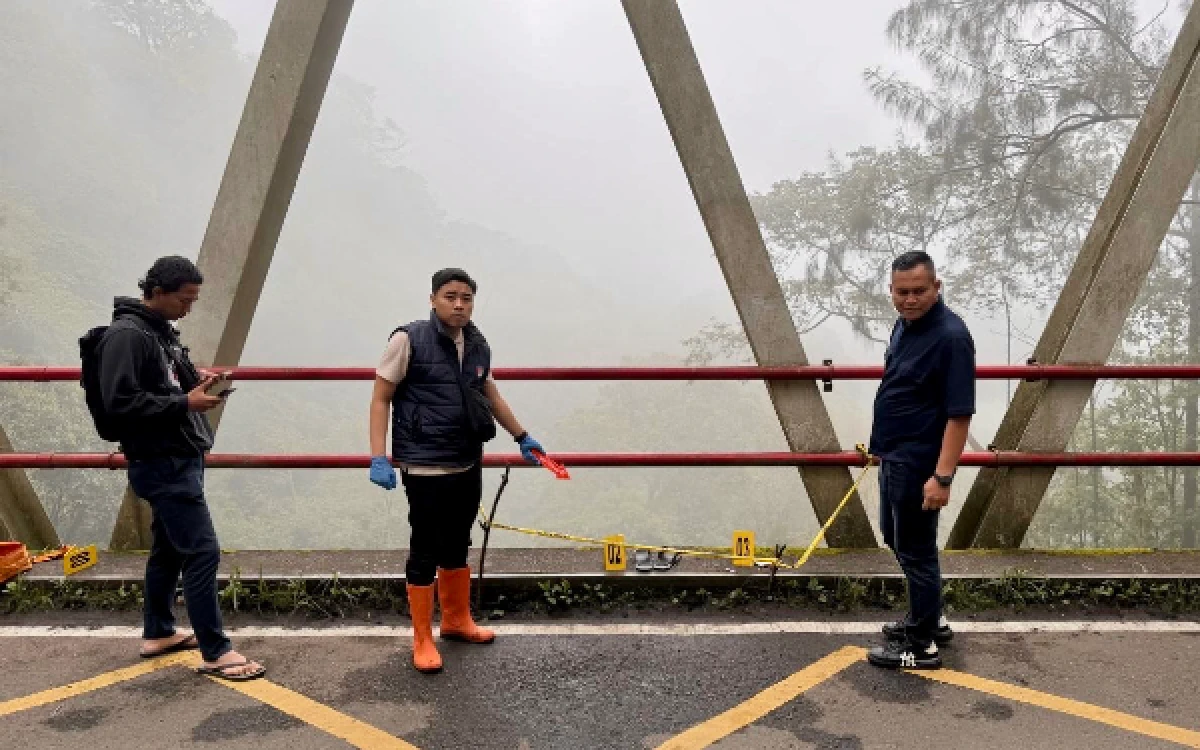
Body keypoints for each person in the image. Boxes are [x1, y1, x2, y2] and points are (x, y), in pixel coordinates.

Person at [368, 268, 546, 674]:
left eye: (466, 298)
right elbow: (381, 398)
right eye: (450, 296)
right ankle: (422, 637)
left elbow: (489, 392)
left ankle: (456, 620)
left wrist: (522, 436)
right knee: (425, 547)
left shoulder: (477, 343)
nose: (459, 305)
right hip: (425, 464)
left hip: (467, 458)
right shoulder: (408, 339)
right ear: (433, 299)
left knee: (457, 542)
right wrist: (379, 456)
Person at [97, 256, 264, 681]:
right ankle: (216, 651)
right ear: (158, 292)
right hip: (162, 461)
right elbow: (119, 403)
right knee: (201, 551)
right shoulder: (127, 336)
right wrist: (184, 402)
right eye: (184, 300)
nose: (188, 308)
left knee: (169, 549)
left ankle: (158, 631)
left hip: (177, 455)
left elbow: (161, 384)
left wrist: (193, 381)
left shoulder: (156, 331)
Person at [866, 251, 975, 670]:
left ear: (936, 287)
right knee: (895, 536)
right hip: (894, 456)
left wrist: (942, 477)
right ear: (892, 290)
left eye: (918, 291)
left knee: (916, 550)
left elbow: (959, 415)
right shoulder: (905, 324)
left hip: (920, 463)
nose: (909, 299)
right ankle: (930, 618)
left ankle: (921, 645)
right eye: (901, 292)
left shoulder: (951, 338)